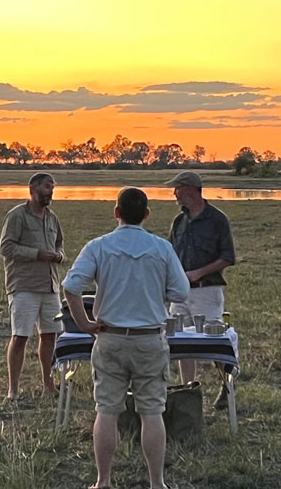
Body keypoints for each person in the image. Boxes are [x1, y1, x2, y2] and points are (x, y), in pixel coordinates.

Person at [62, 187, 189, 489]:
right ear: (146, 215)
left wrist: (85, 323)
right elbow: (181, 292)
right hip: (149, 340)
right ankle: (157, 483)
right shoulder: (161, 248)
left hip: (110, 338)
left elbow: (71, 286)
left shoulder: (99, 246)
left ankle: (103, 481)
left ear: (116, 213)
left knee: (106, 411)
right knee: (152, 411)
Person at [164, 171, 236, 408]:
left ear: (190, 189)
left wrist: (199, 273)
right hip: (180, 292)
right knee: (180, 342)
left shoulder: (217, 219)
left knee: (212, 341)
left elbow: (227, 257)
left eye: (177, 189)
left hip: (206, 291)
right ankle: (189, 390)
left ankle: (227, 385)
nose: (174, 194)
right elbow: (171, 255)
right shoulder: (178, 221)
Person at [0, 172, 65, 400]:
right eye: (47, 187)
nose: (51, 193)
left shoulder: (52, 217)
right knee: (20, 337)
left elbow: (60, 244)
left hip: (50, 286)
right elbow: (6, 247)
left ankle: (49, 385)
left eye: (53, 188)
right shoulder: (17, 216)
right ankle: (13, 390)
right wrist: (37, 254)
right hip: (24, 286)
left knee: (50, 337)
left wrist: (58, 255)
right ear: (33, 188)